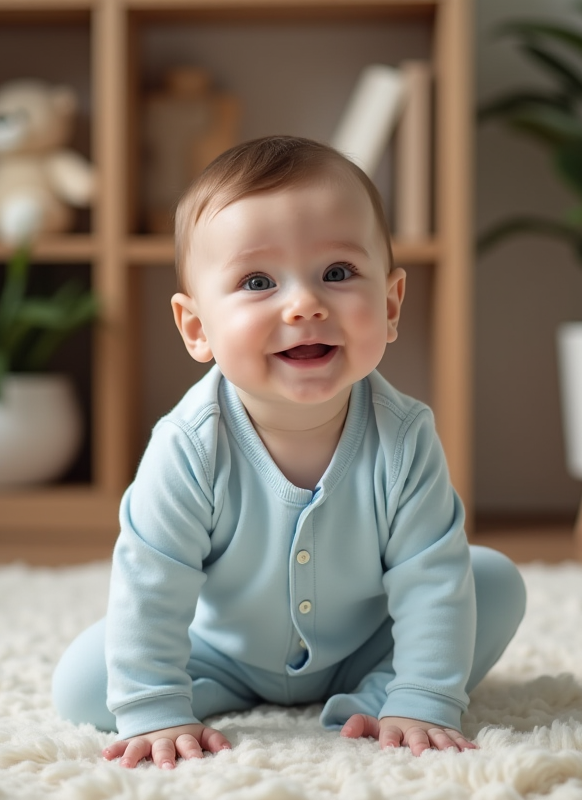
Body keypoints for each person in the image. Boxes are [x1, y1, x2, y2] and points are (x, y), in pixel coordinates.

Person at [52, 135, 526, 769]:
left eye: (338, 273)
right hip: (219, 651)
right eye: (258, 281)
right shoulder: (189, 446)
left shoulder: (405, 437)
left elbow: (429, 577)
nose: (304, 304)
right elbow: (151, 584)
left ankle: (382, 696)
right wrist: (156, 706)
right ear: (197, 328)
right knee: (83, 684)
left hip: (364, 644)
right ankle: (207, 697)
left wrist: (424, 698)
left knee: (492, 582)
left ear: (390, 305)